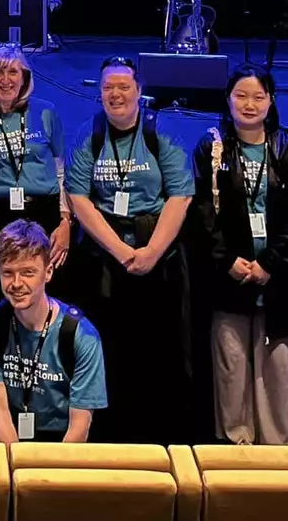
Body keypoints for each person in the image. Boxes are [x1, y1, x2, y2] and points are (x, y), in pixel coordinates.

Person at [65, 56, 194, 442]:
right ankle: (110, 435)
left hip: (158, 256)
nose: (116, 94)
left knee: (156, 352)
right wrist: (121, 251)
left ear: (139, 91)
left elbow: (180, 196)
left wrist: (151, 252)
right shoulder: (90, 133)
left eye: (124, 86)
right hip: (106, 255)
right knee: (109, 350)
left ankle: (157, 436)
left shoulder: (161, 132)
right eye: (108, 87)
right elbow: (78, 197)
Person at [191, 64, 288, 444]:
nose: (249, 104)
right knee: (231, 374)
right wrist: (227, 260)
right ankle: (234, 453)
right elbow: (201, 215)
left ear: (271, 101)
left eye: (258, 96)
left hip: (280, 283)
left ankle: (278, 457)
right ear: (227, 100)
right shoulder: (211, 147)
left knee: (278, 373)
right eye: (241, 95)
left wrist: (269, 264)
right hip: (228, 281)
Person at [0, 220, 106, 443]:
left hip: (61, 441)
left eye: (28, 272)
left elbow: (79, 428)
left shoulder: (81, 335)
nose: (16, 283)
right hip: (10, 435)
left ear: (48, 272)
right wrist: (16, 467)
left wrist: (48, 476)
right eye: (8, 273)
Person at [0, 45, 71, 308]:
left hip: (46, 217)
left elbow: (61, 172)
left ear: (25, 78)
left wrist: (66, 221)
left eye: (13, 72)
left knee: (48, 300)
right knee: (7, 299)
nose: (6, 80)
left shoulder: (45, 112)